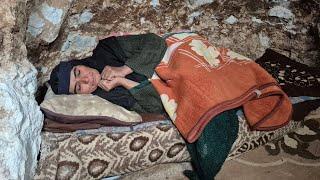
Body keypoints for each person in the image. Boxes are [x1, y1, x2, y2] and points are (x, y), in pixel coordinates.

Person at [49, 33, 167, 114]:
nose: (86, 79)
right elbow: (158, 106)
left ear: (78, 63)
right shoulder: (106, 99)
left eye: (78, 72)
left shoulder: (104, 50)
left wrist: (124, 69)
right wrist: (122, 81)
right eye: (79, 87)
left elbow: (155, 42)